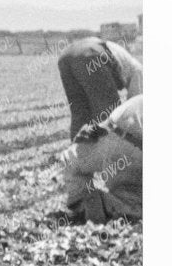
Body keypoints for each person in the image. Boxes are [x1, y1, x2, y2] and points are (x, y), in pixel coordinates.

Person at [58, 94, 142, 222]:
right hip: (133, 148)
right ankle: (117, 205)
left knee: (69, 160)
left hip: (114, 137)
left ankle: (88, 202)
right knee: (134, 200)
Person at [57, 35, 143, 137]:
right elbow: (133, 108)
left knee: (80, 113)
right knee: (111, 114)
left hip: (66, 56)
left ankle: (76, 150)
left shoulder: (128, 61)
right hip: (91, 54)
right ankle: (109, 150)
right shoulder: (140, 72)